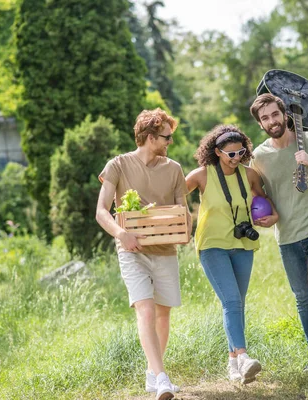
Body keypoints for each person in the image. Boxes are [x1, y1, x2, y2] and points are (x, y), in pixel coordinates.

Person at [95, 108, 191, 400]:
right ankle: (162, 377)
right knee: (145, 309)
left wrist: (185, 229)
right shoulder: (118, 165)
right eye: (166, 137)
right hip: (131, 249)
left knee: (163, 314)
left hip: (165, 249)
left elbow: (183, 212)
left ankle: (152, 372)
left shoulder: (173, 168)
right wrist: (121, 233)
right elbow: (101, 211)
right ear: (150, 137)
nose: (169, 142)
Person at [249, 93, 308, 370]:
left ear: (284, 114)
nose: (271, 121)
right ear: (260, 124)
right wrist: (263, 216)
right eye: (265, 118)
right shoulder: (259, 157)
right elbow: (258, 196)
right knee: (302, 297)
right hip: (287, 235)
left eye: (274, 114)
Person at [185, 125, 278, 384]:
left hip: (242, 245)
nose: (237, 159)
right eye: (230, 155)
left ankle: (233, 363)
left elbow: (263, 201)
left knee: (236, 302)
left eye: (241, 153)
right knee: (232, 302)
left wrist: (273, 216)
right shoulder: (202, 175)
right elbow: (172, 195)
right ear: (217, 152)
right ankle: (245, 357)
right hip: (212, 245)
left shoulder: (249, 176)